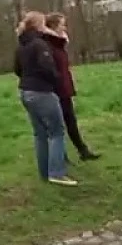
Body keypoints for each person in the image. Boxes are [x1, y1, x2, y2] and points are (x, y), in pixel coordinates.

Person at [15, 11, 78, 186]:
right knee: (57, 132)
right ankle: (57, 172)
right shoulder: (39, 44)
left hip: (25, 92)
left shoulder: (21, 45)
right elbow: (47, 68)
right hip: (42, 92)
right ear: (37, 26)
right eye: (43, 24)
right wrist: (55, 79)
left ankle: (45, 172)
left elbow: (17, 69)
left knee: (39, 134)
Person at [43, 13, 101, 162]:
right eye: (62, 24)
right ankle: (63, 155)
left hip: (64, 89)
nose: (65, 27)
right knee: (58, 126)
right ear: (54, 27)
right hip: (57, 91)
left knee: (70, 122)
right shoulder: (49, 46)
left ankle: (82, 151)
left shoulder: (59, 44)